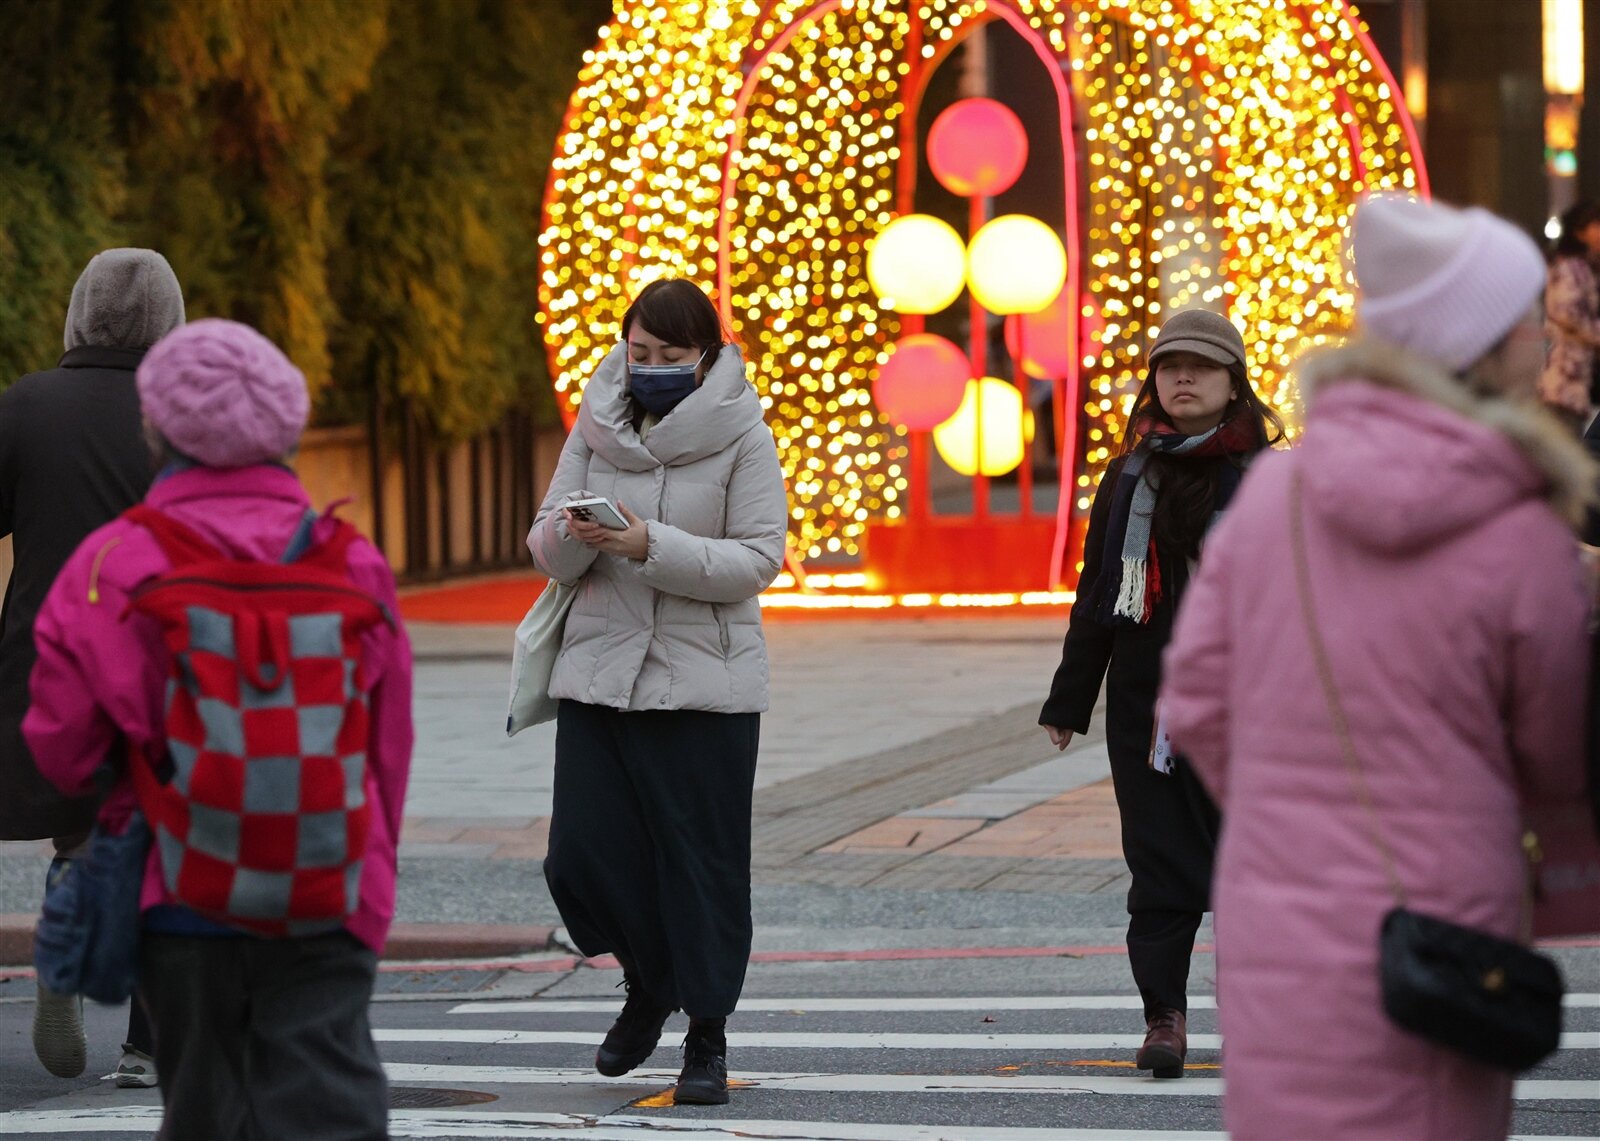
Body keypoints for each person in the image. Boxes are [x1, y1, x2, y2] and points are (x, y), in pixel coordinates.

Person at [1161, 195, 1591, 1138]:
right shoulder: (1519, 527)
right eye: (1524, 313)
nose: (1543, 329)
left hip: (1275, 910)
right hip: (1440, 921)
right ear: (1477, 346)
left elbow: (1192, 699)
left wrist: (1288, 798)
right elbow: (1557, 749)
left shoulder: (1273, 495)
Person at [23, 318, 413, 1140]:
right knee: (332, 1098)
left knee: (204, 1101)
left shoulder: (112, 562)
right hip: (325, 889)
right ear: (287, 427)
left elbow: (61, 746)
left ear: (157, 427)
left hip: (180, 893)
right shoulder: (348, 561)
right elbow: (387, 749)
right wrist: (368, 887)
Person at [528, 278, 787, 1105]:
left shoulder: (745, 433)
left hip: (705, 688)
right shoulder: (596, 422)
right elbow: (542, 541)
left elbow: (758, 558)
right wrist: (574, 534)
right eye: (639, 354)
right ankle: (648, 982)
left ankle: (705, 1034)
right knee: (579, 857)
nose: (650, 370)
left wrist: (648, 544)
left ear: (705, 356)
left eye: (670, 358)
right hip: (599, 679)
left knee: (703, 868)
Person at [1038, 308, 1283, 1077]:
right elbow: (1100, 589)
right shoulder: (1130, 471)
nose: (1182, 377)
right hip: (1148, 708)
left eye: (1202, 366)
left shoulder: (1270, 476)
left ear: (1233, 380)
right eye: (1171, 364)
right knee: (1160, 863)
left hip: (1251, 706)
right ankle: (1164, 1016)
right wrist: (1069, 699)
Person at [0, 248, 184, 1084]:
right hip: (159, 659)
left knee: (82, 819)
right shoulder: (187, 410)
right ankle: (149, 1042)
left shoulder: (25, 405)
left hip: (45, 653)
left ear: (77, 311)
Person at [1540, 198, 1600, 428]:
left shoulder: (1584, 268)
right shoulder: (1571, 268)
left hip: (1575, 380)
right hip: (1562, 380)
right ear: (1579, 232)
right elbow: (1568, 316)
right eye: (1596, 225)